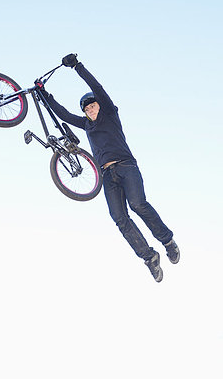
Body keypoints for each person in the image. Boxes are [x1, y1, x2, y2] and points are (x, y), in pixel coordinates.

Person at [39, 53, 180, 282]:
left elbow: (97, 86)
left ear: (99, 105)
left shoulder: (110, 115)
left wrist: (77, 66)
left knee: (138, 204)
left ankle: (167, 241)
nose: (91, 109)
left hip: (126, 167)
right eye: (87, 108)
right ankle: (149, 257)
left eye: (93, 105)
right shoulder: (86, 125)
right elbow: (62, 113)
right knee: (119, 218)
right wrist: (44, 94)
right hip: (107, 175)